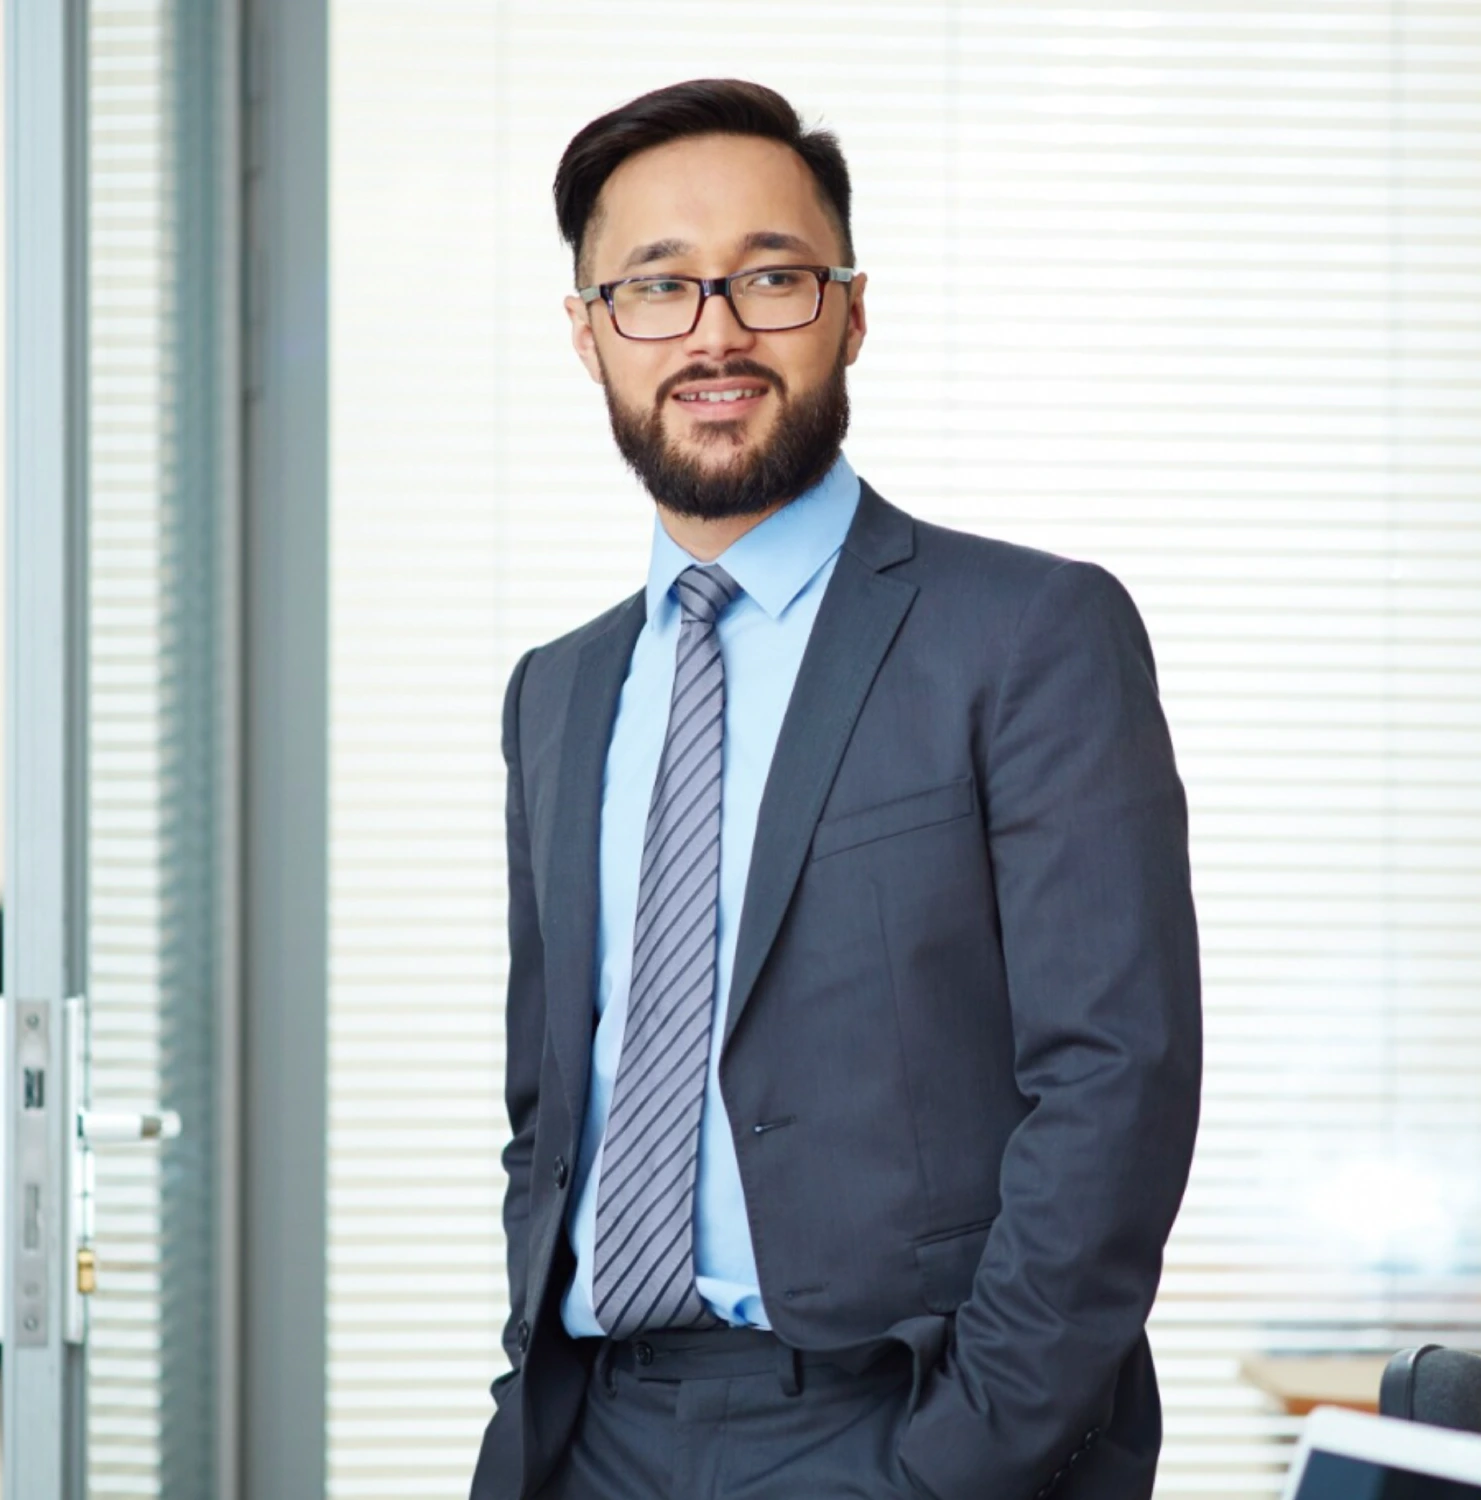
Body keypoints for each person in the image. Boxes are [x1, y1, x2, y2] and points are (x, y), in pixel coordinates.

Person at [471, 78, 1202, 1500]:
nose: (715, 333)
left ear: (852, 311)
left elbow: (1117, 1079)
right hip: (590, 1436)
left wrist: (963, 1458)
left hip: (894, 1427)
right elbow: (546, 1108)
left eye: (773, 278)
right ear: (587, 334)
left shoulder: (1028, 633)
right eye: (656, 288)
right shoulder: (555, 692)